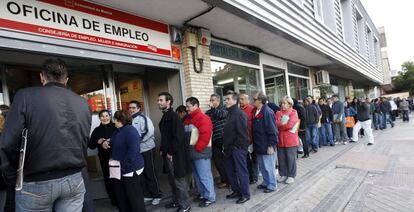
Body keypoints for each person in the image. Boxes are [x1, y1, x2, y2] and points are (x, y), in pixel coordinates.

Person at [0, 59, 91, 212]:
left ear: (42, 77)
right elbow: (83, 140)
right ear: (66, 79)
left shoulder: (25, 96)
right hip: (74, 178)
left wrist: (12, 177)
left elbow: (8, 143)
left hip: (36, 182)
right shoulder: (82, 103)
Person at [106, 110, 146, 212]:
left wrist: (123, 167)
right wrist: (107, 143)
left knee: (134, 197)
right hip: (118, 169)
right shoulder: (117, 131)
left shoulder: (130, 131)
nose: (113, 121)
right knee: (122, 196)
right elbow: (115, 143)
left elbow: (133, 151)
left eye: (115, 119)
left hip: (130, 170)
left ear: (121, 120)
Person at [158, 92, 191, 212]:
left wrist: (170, 152)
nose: (159, 102)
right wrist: (162, 148)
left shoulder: (174, 116)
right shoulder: (165, 116)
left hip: (175, 155)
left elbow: (179, 137)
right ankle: (176, 201)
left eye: (161, 100)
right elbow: (166, 137)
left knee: (178, 180)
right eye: (158, 100)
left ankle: (185, 205)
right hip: (168, 154)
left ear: (168, 102)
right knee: (172, 181)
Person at [128, 101, 162, 206]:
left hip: (147, 149)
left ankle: (157, 195)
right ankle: (148, 195)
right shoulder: (130, 120)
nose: (131, 109)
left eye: (133, 107)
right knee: (141, 174)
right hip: (138, 151)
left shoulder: (143, 118)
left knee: (150, 173)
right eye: (129, 108)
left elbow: (149, 131)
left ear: (139, 108)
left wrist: (136, 141)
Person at [184, 97, 216, 207]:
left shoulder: (203, 118)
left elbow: (205, 135)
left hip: (201, 153)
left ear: (195, 106)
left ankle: (210, 197)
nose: (186, 108)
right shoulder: (188, 119)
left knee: (204, 176)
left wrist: (198, 148)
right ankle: (203, 194)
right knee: (198, 176)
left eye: (188, 106)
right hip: (193, 153)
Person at [223, 90, 250, 204]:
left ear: (235, 100)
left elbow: (242, 135)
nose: (226, 101)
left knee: (241, 172)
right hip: (228, 149)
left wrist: (237, 148)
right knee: (230, 171)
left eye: (228, 99)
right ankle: (236, 191)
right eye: (226, 99)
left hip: (237, 149)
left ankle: (245, 194)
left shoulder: (239, 114)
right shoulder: (229, 113)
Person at [89, 110, 117, 207]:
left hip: (117, 158)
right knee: (109, 180)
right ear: (99, 118)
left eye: (106, 116)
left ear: (110, 116)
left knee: (118, 179)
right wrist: (98, 141)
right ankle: (114, 202)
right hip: (104, 159)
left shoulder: (116, 126)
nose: (105, 118)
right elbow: (91, 146)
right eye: (102, 116)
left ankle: (122, 200)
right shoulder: (96, 130)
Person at [251, 92, 278, 193]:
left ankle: (272, 185)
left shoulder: (267, 112)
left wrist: (271, 145)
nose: (252, 101)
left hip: (267, 145)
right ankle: (266, 182)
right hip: (259, 145)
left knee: (269, 166)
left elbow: (272, 130)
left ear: (260, 100)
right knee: (262, 166)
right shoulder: (255, 111)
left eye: (254, 99)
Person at [205, 94, 229, 188]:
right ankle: (224, 180)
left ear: (218, 101)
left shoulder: (224, 109)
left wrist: (213, 109)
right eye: (210, 100)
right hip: (214, 140)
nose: (211, 102)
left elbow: (221, 115)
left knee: (226, 161)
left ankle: (229, 181)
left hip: (223, 139)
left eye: (213, 100)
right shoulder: (208, 112)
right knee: (217, 162)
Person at [276, 96, 299, 184]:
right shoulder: (278, 113)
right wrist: (283, 124)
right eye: (282, 103)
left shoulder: (293, 112)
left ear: (290, 104)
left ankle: (291, 175)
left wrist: (281, 125)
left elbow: (290, 125)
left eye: (284, 103)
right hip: (280, 139)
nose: (282, 105)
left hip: (290, 140)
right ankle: (283, 174)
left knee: (290, 158)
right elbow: (276, 123)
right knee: (281, 158)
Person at [239, 93, 259, 185]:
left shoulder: (252, 109)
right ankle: (249, 177)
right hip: (243, 140)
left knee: (254, 159)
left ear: (248, 100)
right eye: (240, 99)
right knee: (246, 160)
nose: (240, 101)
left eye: (242, 99)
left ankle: (254, 177)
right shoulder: (239, 110)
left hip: (252, 139)